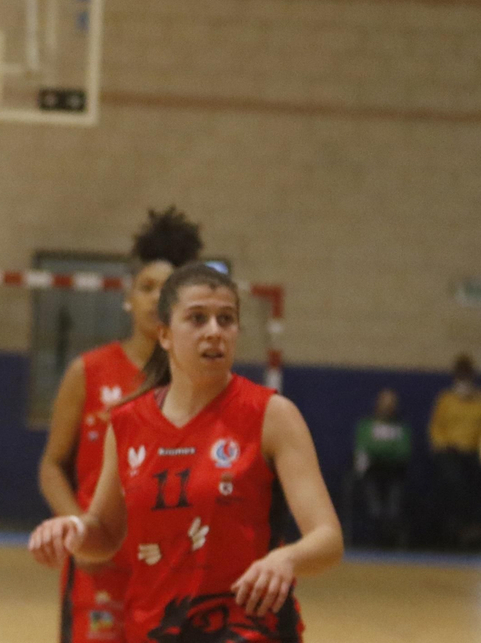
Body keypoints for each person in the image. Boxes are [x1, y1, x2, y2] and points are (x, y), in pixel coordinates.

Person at [30, 264, 343, 642]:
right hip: (155, 628)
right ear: (164, 334)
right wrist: (74, 530)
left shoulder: (273, 415)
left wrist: (287, 558)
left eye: (226, 319)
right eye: (197, 318)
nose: (214, 331)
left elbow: (327, 537)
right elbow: (107, 533)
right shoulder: (127, 422)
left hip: (247, 629)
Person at [36, 208, 203, 642]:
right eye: (145, 287)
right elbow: (52, 465)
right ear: (128, 297)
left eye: (165, 290)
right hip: (99, 568)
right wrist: (78, 528)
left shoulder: (199, 382)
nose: (154, 298)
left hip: (169, 571)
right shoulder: (88, 371)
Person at [428, 354, 481, 548]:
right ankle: (451, 532)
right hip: (448, 454)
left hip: (471, 455)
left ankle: (472, 532)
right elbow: (436, 428)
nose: (464, 382)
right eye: (461, 378)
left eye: (467, 378)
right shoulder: (446, 400)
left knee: (472, 490)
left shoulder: (479, 403)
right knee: (453, 484)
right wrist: (443, 445)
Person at [352, 388, 410, 547]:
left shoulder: (401, 428)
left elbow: (403, 451)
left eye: (391, 404)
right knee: (371, 490)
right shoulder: (366, 426)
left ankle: (390, 532)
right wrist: (383, 451)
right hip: (371, 472)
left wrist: (382, 452)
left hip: (394, 472)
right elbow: (363, 448)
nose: (387, 407)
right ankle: (376, 525)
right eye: (384, 403)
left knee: (394, 498)